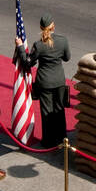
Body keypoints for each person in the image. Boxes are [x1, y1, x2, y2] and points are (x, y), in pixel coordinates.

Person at [14, 14, 71, 149]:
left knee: (46, 112)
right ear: (53, 26)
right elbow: (67, 58)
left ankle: (49, 141)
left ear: (41, 28)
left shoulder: (39, 45)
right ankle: (62, 139)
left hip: (44, 82)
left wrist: (21, 47)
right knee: (59, 110)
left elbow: (28, 63)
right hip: (59, 80)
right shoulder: (63, 41)